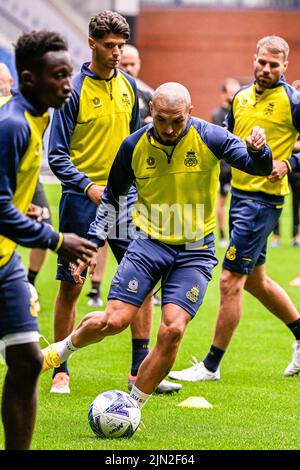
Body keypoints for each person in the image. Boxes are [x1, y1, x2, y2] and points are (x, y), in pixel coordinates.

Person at [41, 82, 272, 414]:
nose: (168, 129)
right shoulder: (133, 145)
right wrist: (91, 245)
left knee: (173, 328)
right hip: (148, 243)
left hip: (194, 249)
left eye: (176, 121)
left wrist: (259, 149)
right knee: (115, 320)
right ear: (151, 112)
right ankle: (63, 349)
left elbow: (260, 168)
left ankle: (131, 408)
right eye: (161, 119)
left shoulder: (209, 136)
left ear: (190, 113)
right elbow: (111, 200)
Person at [48, 10, 179, 395]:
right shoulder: (71, 91)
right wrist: (88, 186)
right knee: (72, 285)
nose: (117, 53)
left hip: (125, 203)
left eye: (121, 46)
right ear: (91, 44)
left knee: (143, 282)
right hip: (81, 201)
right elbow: (57, 155)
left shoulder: (130, 88)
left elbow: (135, 147)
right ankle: (60, 368)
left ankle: (141, 370)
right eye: (109, 46)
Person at [168, 35, 300, 383]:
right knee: (256, 281)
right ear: (253, 59)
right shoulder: (239, 98)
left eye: (274, 64)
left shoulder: (292, 101)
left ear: (285, 66)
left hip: (263, 201)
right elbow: (224, 140)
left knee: (230, 280)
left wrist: (289, 163)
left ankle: (211, 366)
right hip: (239, 196)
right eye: (262, 62)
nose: (266, 69)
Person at [0, 30, 97, 450]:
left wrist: (29, 211)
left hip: (4, 264)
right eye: (58, 76)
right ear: (28, 78)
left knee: (26, 362)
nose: (67, 85)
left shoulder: (40, 117)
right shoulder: (12, 125)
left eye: (69, 75)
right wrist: (58, 239)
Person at [0, 63, 52, 297]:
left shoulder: (32, 115)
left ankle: (29, 281)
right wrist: (61, 242)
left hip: (28, 179)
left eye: (10, 81)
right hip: (7, 180)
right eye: (3, 81)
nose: (8, 86)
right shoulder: (10, 121)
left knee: (44, 222)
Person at [119, 45, 161, 306]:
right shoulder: (114, 94)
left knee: (147, 237)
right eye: (125, 64)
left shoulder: (149, 97)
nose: (129, 69)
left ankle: (149, 289)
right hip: (114, 178)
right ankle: (95, 288)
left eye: (133, 64)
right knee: (100, 234)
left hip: (145, 181)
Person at [211, 78, 240, 248]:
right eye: (230, 91)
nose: (233, 95)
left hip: (238, 168)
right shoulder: (217, 114)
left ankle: (235, 236)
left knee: (237, 202)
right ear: (224, 93)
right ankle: (222, 235)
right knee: (221, 201)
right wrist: (223, 167)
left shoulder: (238, 112)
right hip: (225, 169)